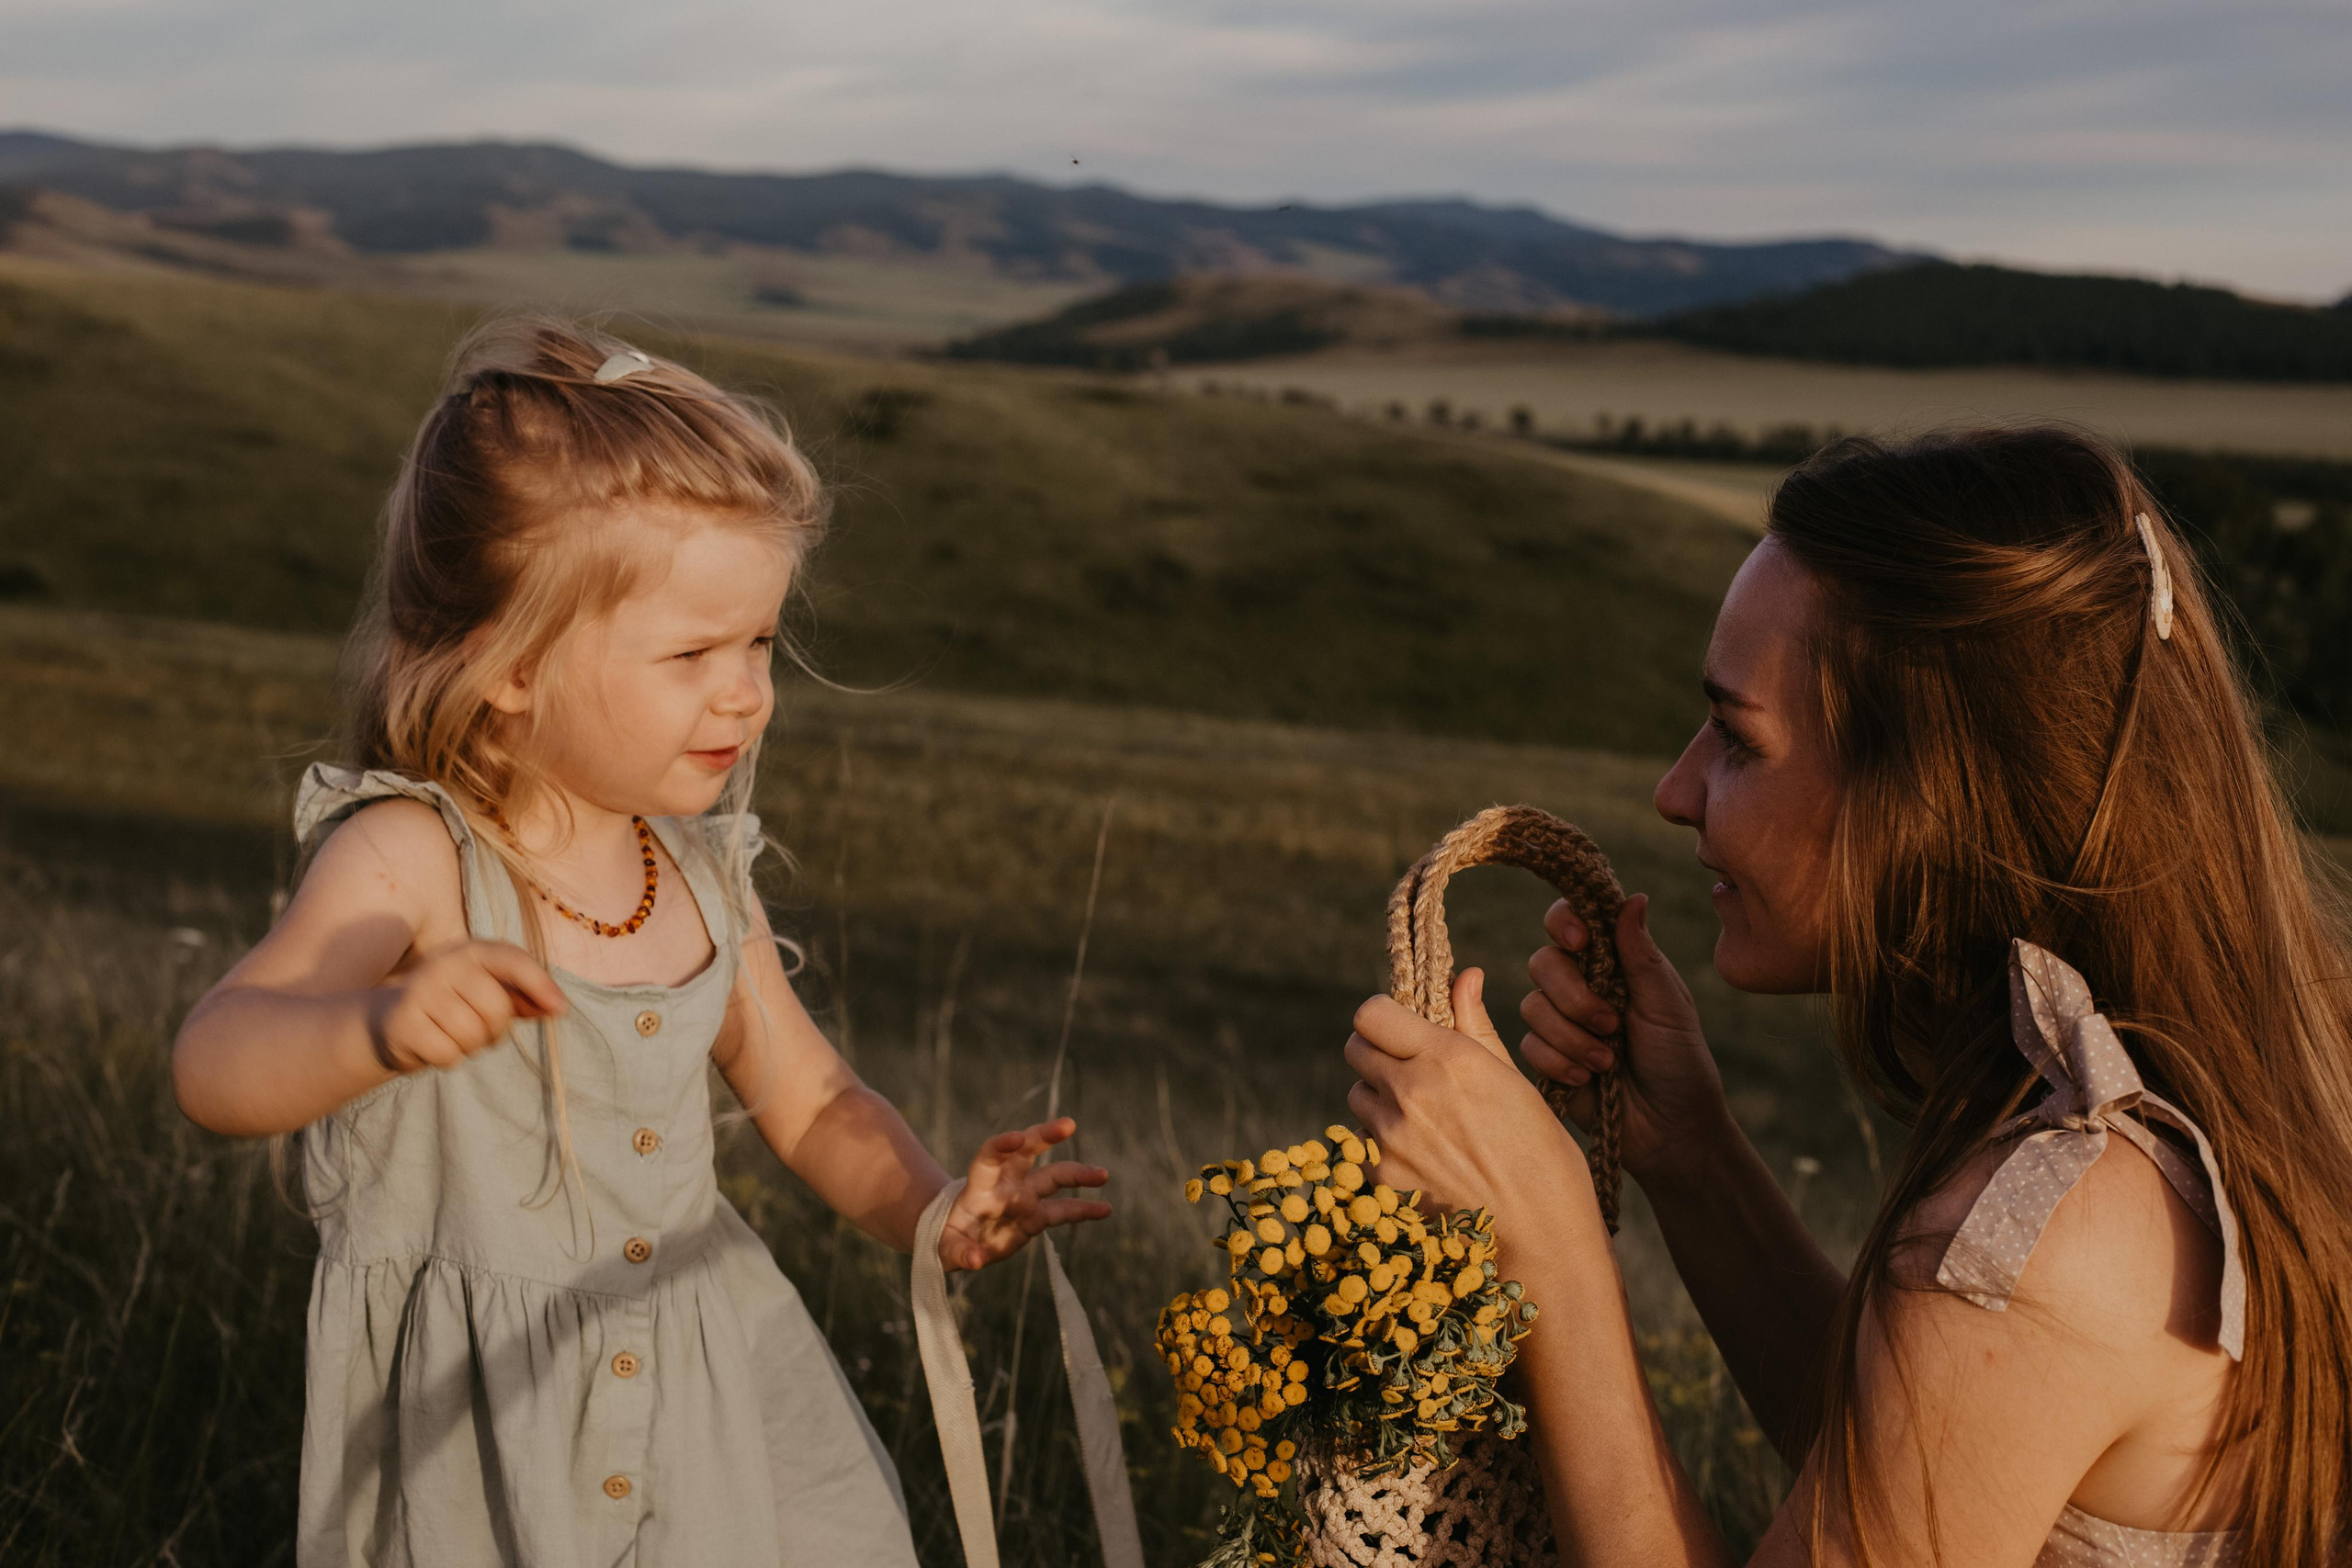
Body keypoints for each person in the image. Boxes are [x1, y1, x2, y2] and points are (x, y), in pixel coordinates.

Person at [170, 321, 1112, 1567]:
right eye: (691, 654)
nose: (748, 691)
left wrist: (936, 1205)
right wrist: (373, 1024)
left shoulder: (705, 873)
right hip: (492, 1420)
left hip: (711, 1393)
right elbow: (216, 1059)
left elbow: (817, 1099)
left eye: (761, 642)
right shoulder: (412, 859)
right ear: (509, 661)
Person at [1344, 427, 2352, 1565]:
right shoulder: (2173, 1116)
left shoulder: (2058, 1231)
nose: (1675, 791)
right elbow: (1913, 1470)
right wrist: (1691, 1153)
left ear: (1925, 791)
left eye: (1736, 737)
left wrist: (1548, 1245)